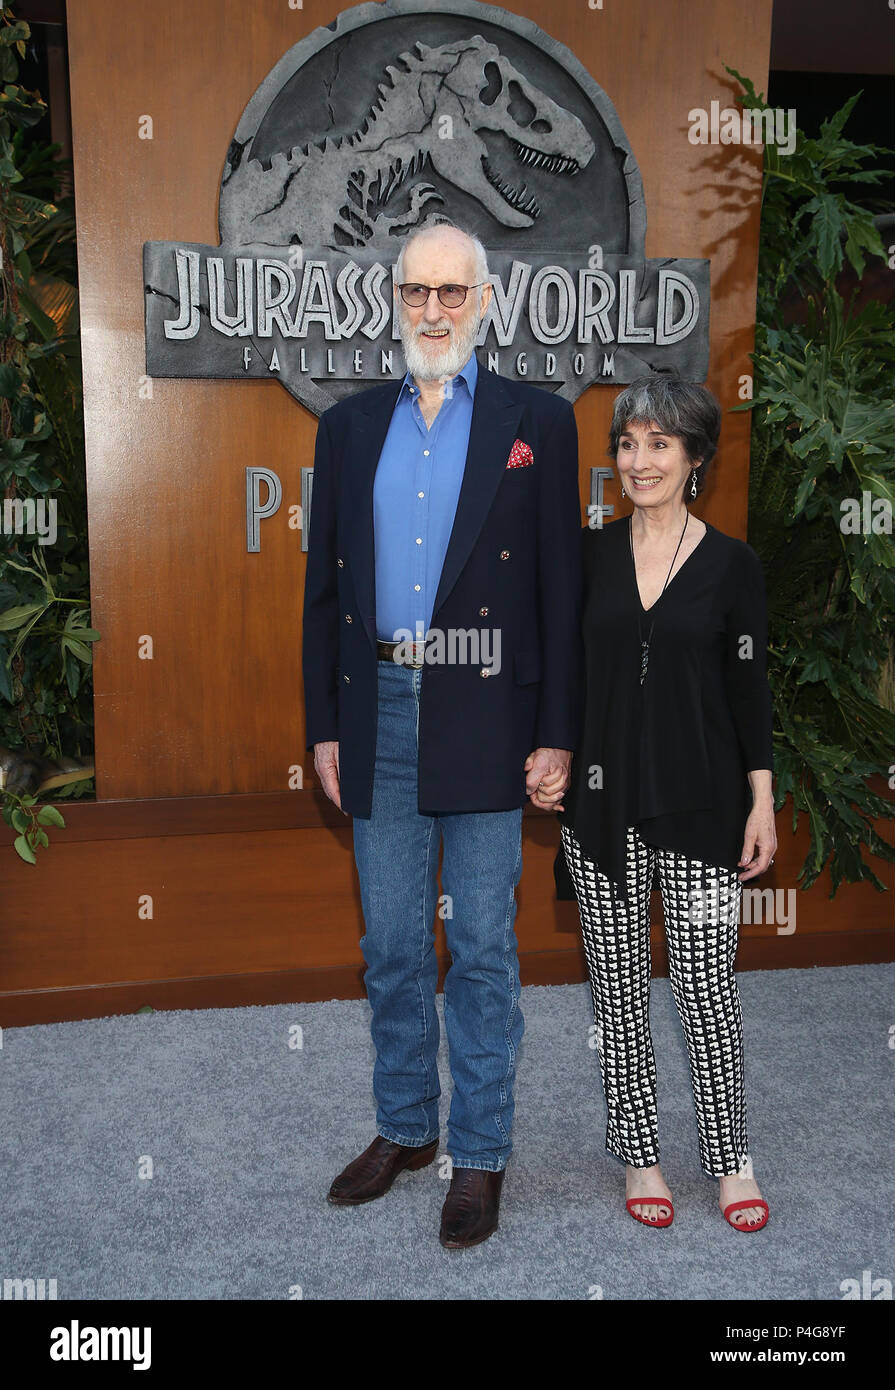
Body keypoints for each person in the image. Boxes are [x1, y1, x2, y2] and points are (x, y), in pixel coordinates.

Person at [302, 220, 582, 1248]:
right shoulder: (347, 428)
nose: (432, 309)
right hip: (377, 707)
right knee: (387, 943)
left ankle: (480, 1153)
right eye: (415, 290)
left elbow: (559, 587)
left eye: (451, 292)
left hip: (489, 710)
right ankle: (406, 1127)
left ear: (485, 302)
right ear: (394, 299)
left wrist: (557, 731)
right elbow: (324, 591)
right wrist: (325, 727)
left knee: (480, 944)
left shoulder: (538, 423)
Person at [546, 371, 776, 1232]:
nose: (639, 461)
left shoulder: (731, 565)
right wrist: (551, 758)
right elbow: (565, 677)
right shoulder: (587, 555)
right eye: (628, 443)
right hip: (601, 811)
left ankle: (730, 1160)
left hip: (704, 803)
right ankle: (639, 1157)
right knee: (617, 992)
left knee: (706, 988)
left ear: (694, 458)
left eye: (659, 444)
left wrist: (761, 799)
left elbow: (748, 690)